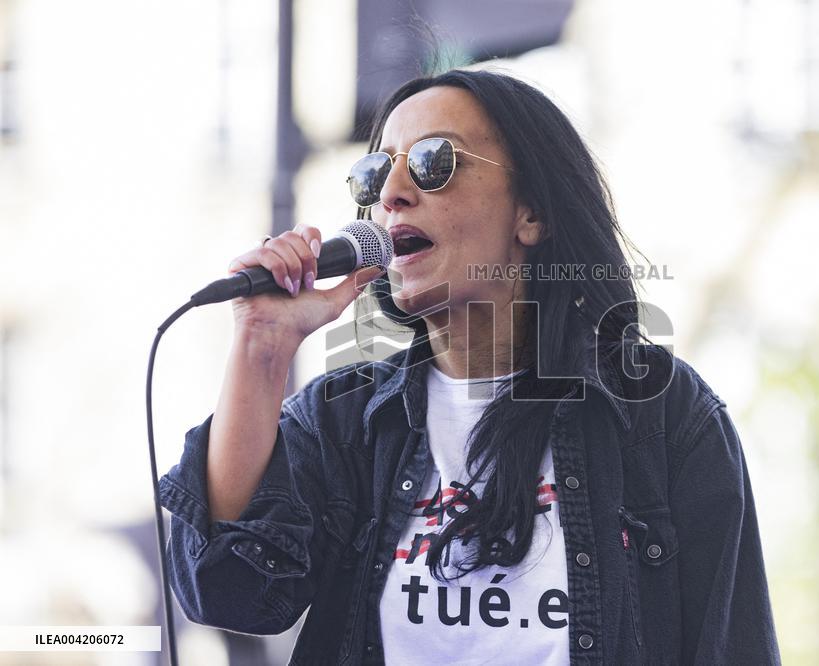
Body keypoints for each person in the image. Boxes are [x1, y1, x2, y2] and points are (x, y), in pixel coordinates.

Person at [158, 69, 781, 665]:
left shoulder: (660, 414)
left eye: (435, 162)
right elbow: (228, 593)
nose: (393, 194)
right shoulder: (343, 423)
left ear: (531, 213)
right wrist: (261, 348)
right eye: (375, 176)